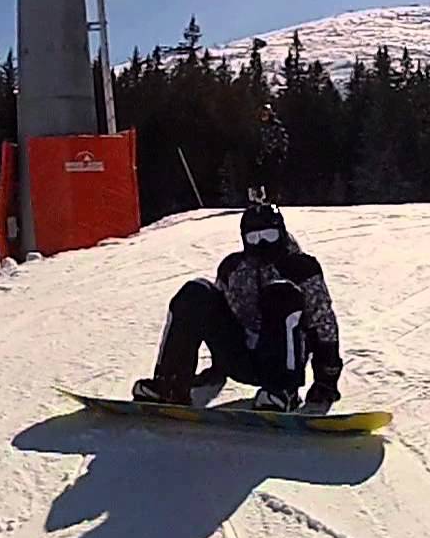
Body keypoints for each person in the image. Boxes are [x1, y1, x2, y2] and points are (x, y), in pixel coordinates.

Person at [132, 202, 343, 413]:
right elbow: (215, 316)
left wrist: (327, 379)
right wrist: (218, 367)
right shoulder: (232, 267)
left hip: (283, 359)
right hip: (242, 357)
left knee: (280, 292)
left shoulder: (302, 268)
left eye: (269, 236)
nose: (261, 244)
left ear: (281, 233)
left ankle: (283, 391)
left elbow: (323, 322)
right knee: (196, 291)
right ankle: (170, 384)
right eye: (254, 238)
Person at [250, 102, 289, 203]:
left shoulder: (276, 126)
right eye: (262, 114)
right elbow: (260, 141)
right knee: (264, 176)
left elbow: (282, 139)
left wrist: (280, 151)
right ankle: (266, 196)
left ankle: (273, 197)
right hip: (265, 155)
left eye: (266, 113)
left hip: (275, 155)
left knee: (273, 177)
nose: (264, 115)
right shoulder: (261, 127)